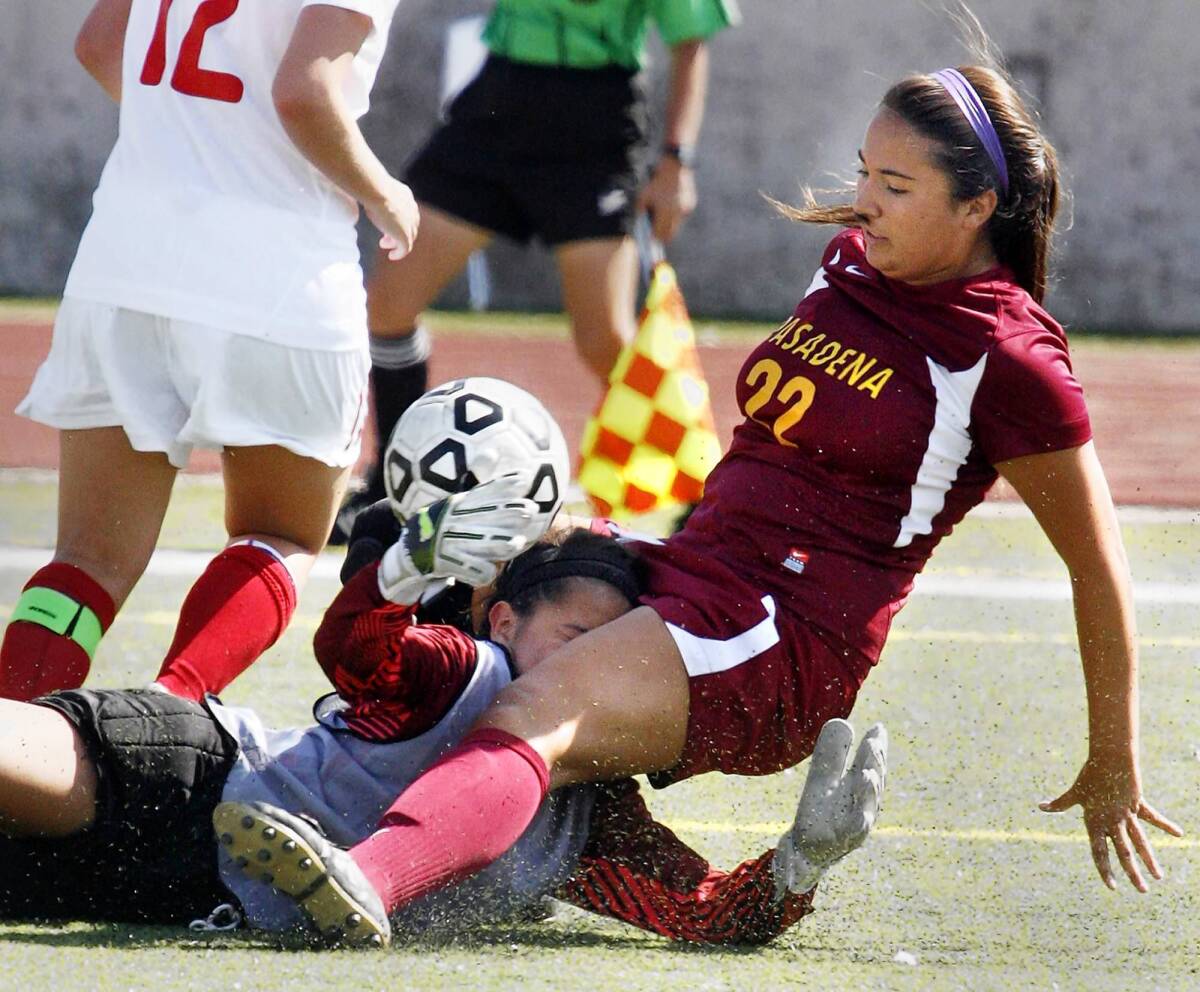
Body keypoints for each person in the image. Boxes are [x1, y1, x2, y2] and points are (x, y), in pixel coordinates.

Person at [238, 53, 1185, 943]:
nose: (864, 202)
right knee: (476, 605)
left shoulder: (1010, 357)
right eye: (865, 172)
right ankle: (667, 877)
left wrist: (1113, 753)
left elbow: (1097, 565)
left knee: (534, 711)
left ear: (980, 205)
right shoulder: (853, 263)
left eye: (896, 188)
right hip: (692, 565)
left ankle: (366, 880)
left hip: (786, 631)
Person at [0, 488, 885, 946]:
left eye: (623, 655)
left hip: (166, 896)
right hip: (182, 780)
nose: (600, 672)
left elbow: (702, 913)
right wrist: (396, 573)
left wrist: (797, 867)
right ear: (503, 619)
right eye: (577, 640)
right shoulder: (471, 668)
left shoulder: (593, 832)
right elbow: (355, 653)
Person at [1, 0, 420, 701]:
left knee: (87, 562)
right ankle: (164, 714)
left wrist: (191, 139)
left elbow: (101, 45)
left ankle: (11, 736)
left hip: (124, 261)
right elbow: (302, 92)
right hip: (274, 277)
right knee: (278, 538)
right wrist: (386, 195)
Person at [332, 0, 740, 541]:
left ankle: (710, 494)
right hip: (496, 106)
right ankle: (391, 488)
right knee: (388, 305)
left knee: (605, 340)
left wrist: (676, 162)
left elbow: (691, 40)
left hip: (594, 123)